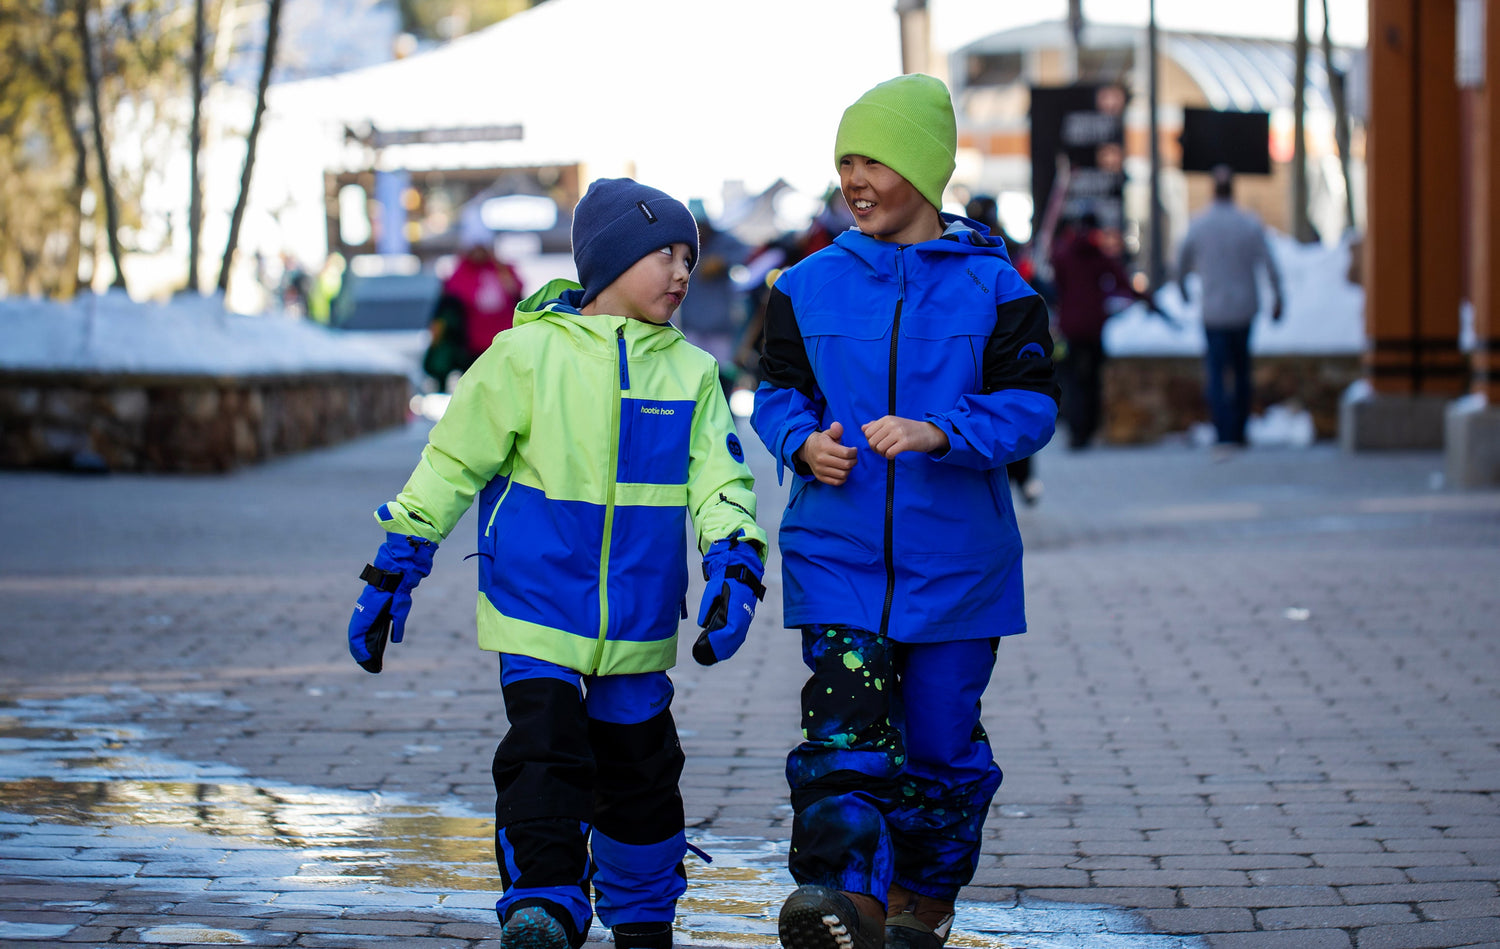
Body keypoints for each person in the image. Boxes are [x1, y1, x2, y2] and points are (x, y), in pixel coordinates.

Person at [346, 178, 768, 949]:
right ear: (607, 260)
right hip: (535, 604)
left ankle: (642, 913)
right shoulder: (523, 356)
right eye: (664, 254)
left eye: (688, 257)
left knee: (642, 768)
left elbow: (720, 480)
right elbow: (450, 463)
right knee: (543, 753)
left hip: (637, 617)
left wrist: (735, 558)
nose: (681, 272)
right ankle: (543, 902)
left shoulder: (691, 373)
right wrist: (396, 561)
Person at [751, 74, 1060, 949]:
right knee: (843, 731)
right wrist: (801, 442)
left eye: (872, 161)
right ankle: (846, 897)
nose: (854, 179)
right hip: (837, 554)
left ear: (923, 172)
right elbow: (776, 393)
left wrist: (940, 431)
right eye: (845, 160)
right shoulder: (803, 286)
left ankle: (926, 891)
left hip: (959, 567)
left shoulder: (997, 289)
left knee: (938, 746)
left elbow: (1033, 407)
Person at [1176, 165, 1285, 450]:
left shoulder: (1200, 225)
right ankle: (1239, 430)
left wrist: (1182, 290)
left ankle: (1223, 432)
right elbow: (1269, 263)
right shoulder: (1248, 223)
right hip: (1243, 309)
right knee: (1241, 371)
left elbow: (1180, 262)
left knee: (1216, 373)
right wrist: (1278, 296)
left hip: (1213, 310)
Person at [1046, 210, 1157, 449]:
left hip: (1071, 326)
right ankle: (1089, 428)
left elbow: (1056, 286)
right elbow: (1124, 283)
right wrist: (1147, 299)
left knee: (1073, 379)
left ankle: (1076, 431)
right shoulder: (1100, 257)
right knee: (1092, 379)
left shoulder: (1064, 254)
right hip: (1094, 326)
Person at [965, 195, 1043, 505]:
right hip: (991, 337)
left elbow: (1025, 285)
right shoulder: (987, 246)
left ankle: (1020, 479)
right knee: (1007, 408)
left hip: (997, 336)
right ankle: (1020, 479)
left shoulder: (988, 248)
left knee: (1010, 406)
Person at [423, 224, 525, 392]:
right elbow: (453, 297)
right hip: (472, 350)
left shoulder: (501, 269)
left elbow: (516, 290)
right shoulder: (461, 272)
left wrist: (498, 265)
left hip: (504, 345)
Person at [676, 201, 751, 392]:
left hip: (720, 329)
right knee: (693, 380)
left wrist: (723, 262)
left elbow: (748, 253)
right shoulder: (683, 243)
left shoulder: (723, 242)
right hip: (692, 326)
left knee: (721, 380)